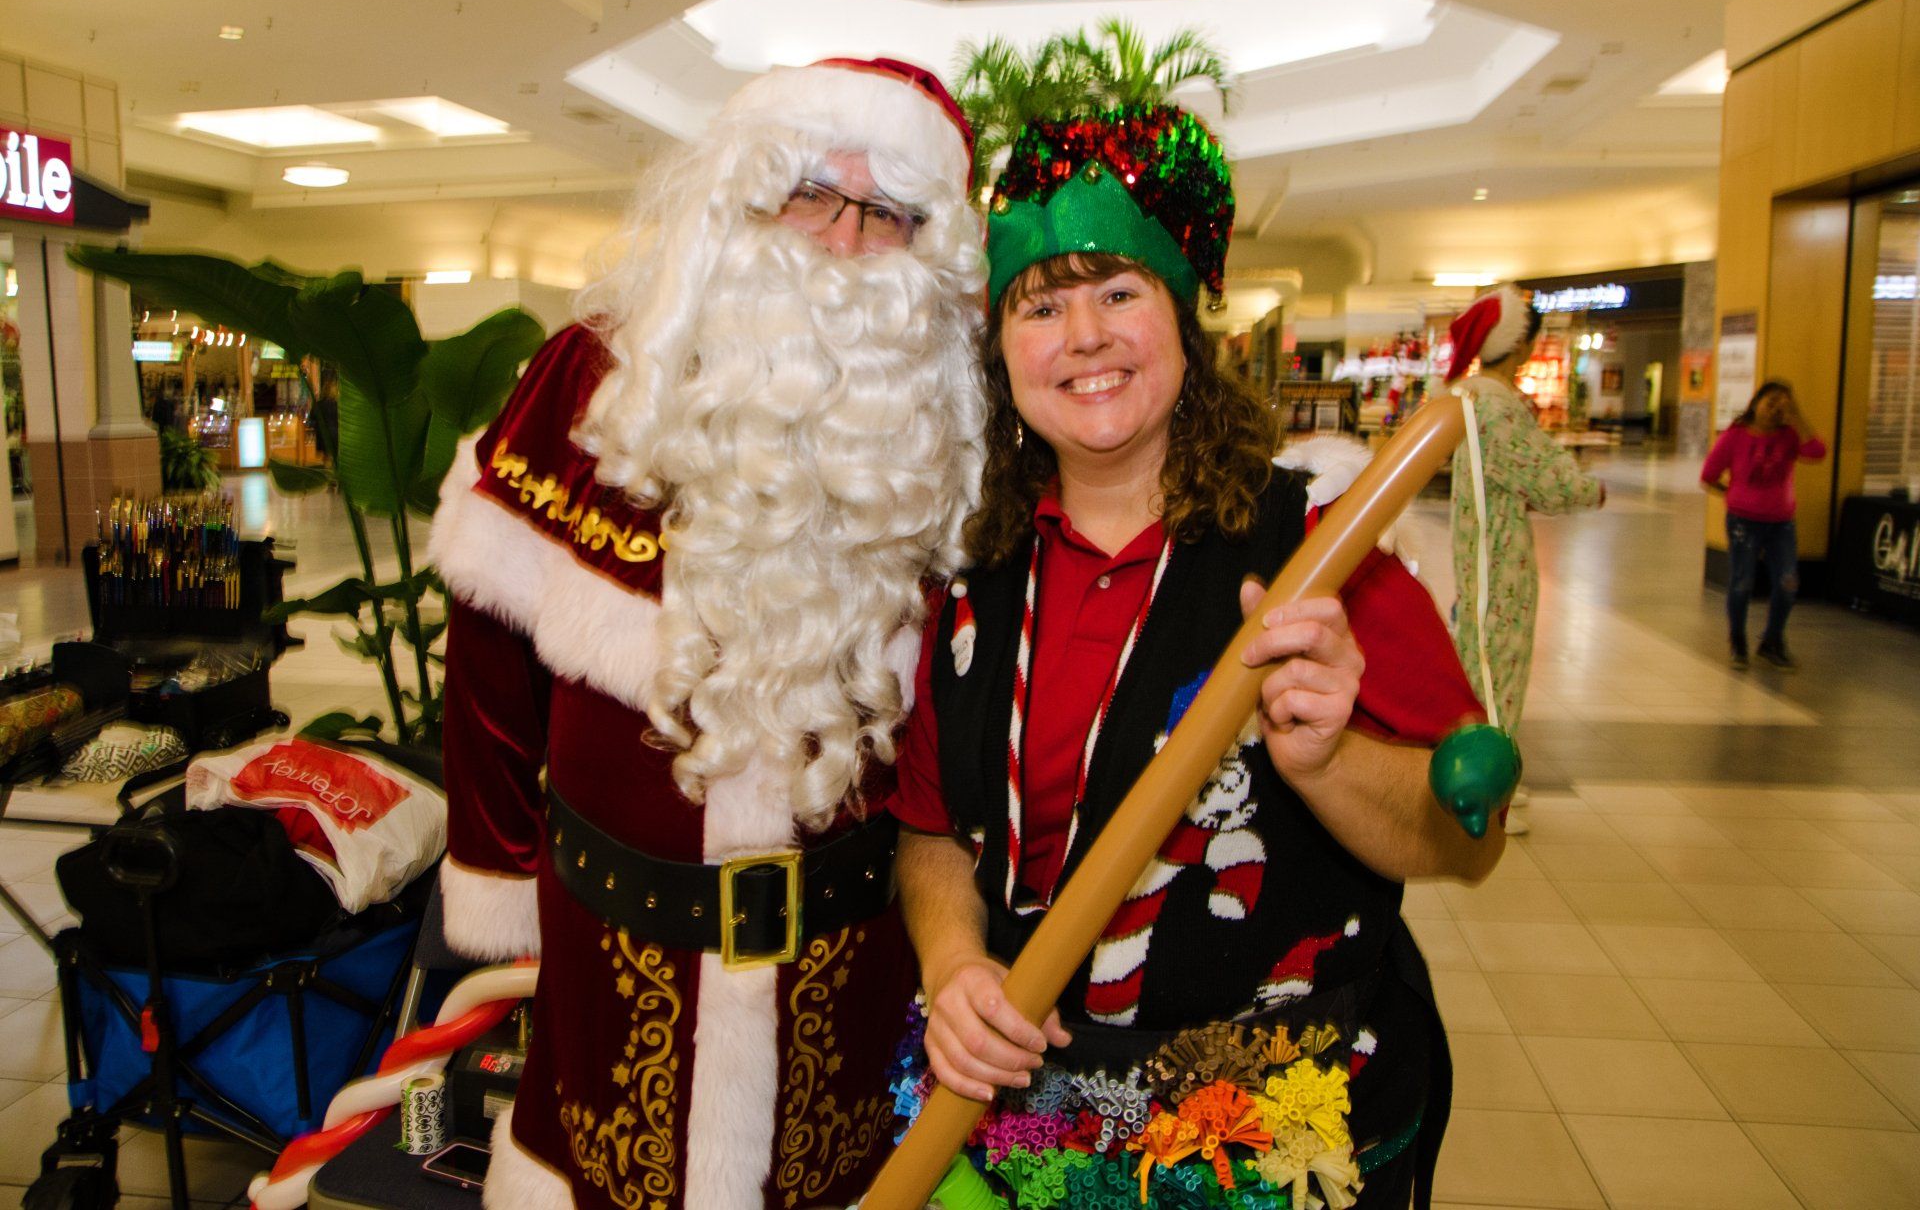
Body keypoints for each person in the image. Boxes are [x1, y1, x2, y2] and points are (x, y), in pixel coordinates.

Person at [888, 105, 1503, 1209]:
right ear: (1001, 353)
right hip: (1027, 1126)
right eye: (1041, 307)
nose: (1084, 336)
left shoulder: (1322, 556)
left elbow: (1470, 842)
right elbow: (933, 831)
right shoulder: (971, 580)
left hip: (1267, 1141)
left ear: (1183, 323)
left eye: (1119, 293)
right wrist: (952, 961)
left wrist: (1327, 761)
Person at [427, 58, 985, 1210]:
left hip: (851, 972)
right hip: (614, 957)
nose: (843, 240)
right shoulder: (596, 377)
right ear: (741, 200)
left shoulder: (948, 432)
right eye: (811, 194)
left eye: (886, 213)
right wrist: (496, 868)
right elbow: (486, 640)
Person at [1445, 287, 1605, 834]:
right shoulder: (1497, 407)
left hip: (1479, 551)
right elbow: (1548, 477)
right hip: (1500, 558)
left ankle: (1485, 780)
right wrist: (1590, 490)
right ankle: (1488, 793)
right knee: (1498, 669)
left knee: (1483, 660)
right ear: (1519, 344)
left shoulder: (1470, 400)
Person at [1701, 380, 1827, 670]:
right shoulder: (1735, 436)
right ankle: (1738, 641)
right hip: (1743, 523)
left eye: (1782, 406)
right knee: (1742, 582)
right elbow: (1708, 475)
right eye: (1771, 403)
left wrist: (1797, 417)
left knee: (1787, 583)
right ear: (1756, 402)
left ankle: (1773, 640)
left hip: (1781, 523)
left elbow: (1817, 452)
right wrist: (1732, 495)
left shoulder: (1789, 436)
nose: (1774, 411)